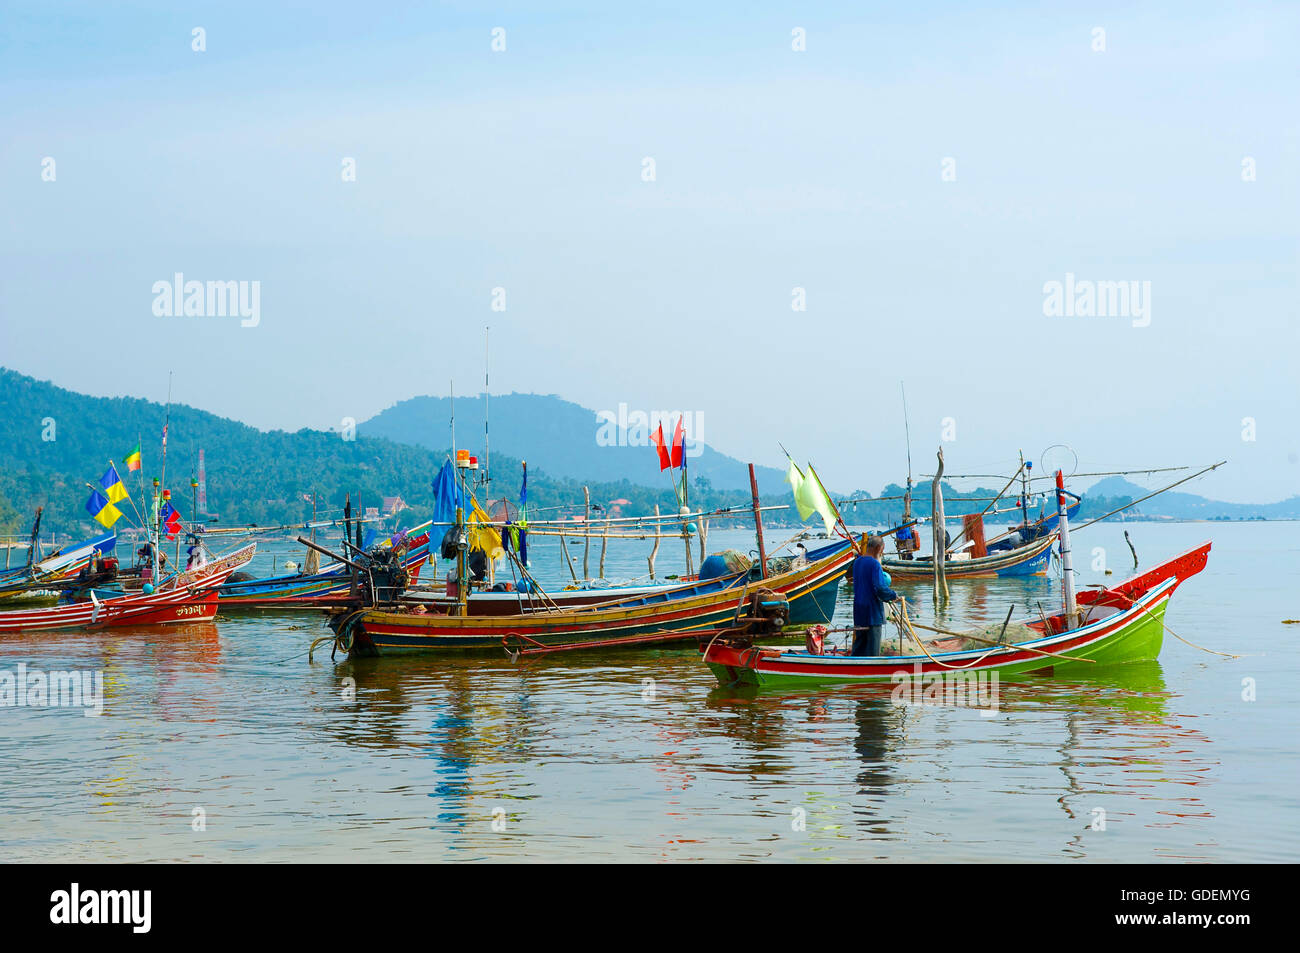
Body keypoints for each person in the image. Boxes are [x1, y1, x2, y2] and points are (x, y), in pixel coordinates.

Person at [849, 536, 898, 657]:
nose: (881, 553)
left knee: (859, 646)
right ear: (877, 548)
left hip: (859, 611)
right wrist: (893, 595)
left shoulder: (857, 562)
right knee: (872, 650)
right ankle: (870, 671)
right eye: (882, 550)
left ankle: (854, 669)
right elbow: (880, 588)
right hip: (872, 613)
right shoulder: (875, 564)